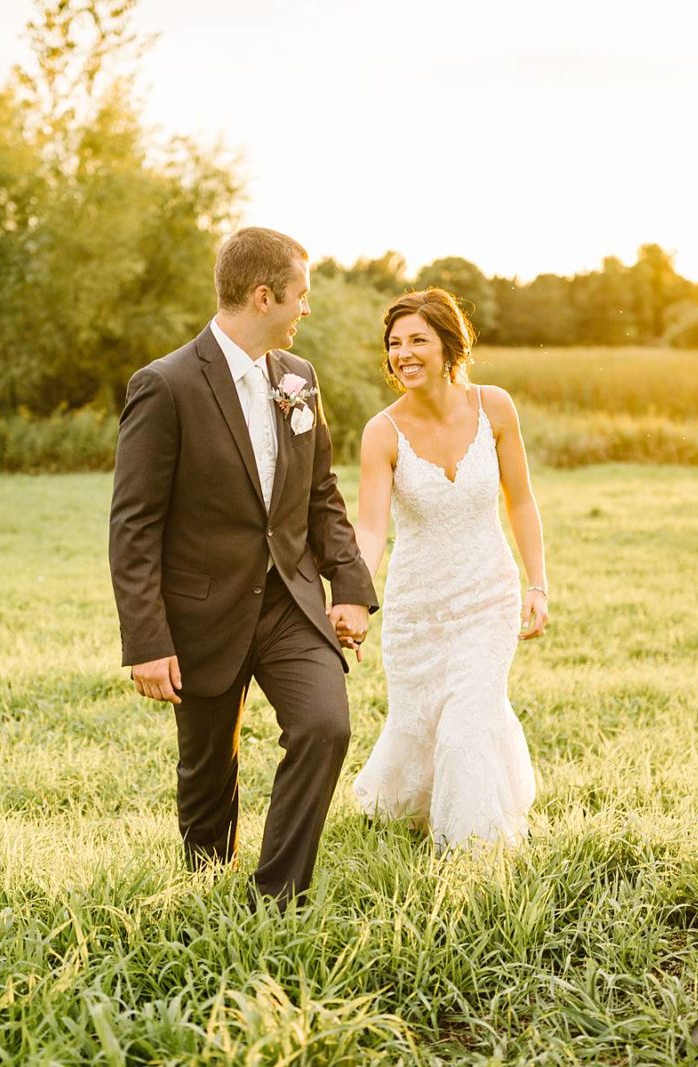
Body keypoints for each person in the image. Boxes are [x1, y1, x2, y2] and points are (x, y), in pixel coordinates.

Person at [108, 227, 377, 904]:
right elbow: (133, 524)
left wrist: (348, 585)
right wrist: (147, 639)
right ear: (263, 296)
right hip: (201, 610)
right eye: (301, 296)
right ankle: (204, 889)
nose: (305, 311)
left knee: (325, 725)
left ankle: (276, 897)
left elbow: (321, 493)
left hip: (289, 599)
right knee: (207, 770)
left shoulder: (299, 379)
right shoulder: (165, 385)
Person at [350, 288, 548, 848]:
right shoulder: (381, 433)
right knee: (422, 721)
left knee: (467, 724)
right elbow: (370, 529)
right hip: (418, 609)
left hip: (488, 595)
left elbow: (522, 501)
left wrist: (538, 584)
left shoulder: (496, 407)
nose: (403, 353)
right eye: (394, 344)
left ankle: (476, 851)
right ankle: (405, 804)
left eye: (417, 340)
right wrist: (356, 597)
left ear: (448, 345)